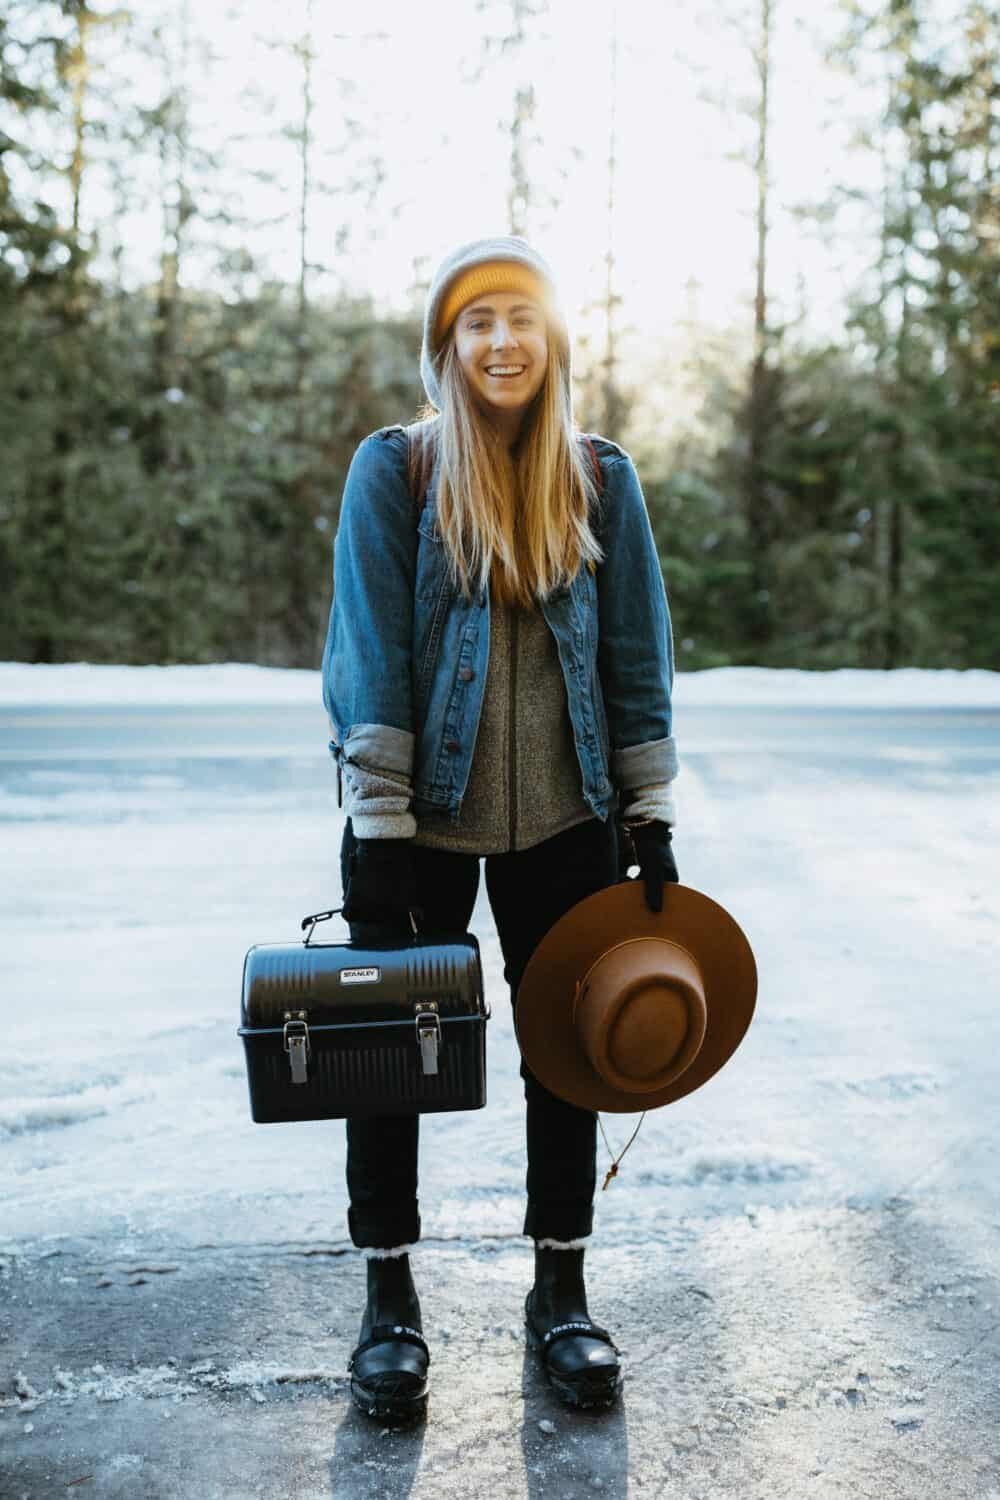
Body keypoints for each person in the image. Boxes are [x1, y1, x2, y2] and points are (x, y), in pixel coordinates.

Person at [320, 235, 679, 1424]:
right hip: (417, 826)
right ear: (446, 347)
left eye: (520, 318)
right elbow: (370, 653)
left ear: (553, 338)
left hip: (567, 825)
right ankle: (388, 1302)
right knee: (388, 1058)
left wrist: (650, 812)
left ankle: (559, 1292)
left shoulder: (598, 479)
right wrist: (377, 816)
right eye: (476, 323)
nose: (501, 341)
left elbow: (636, 659)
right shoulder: (398, 472)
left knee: (565, 1057)